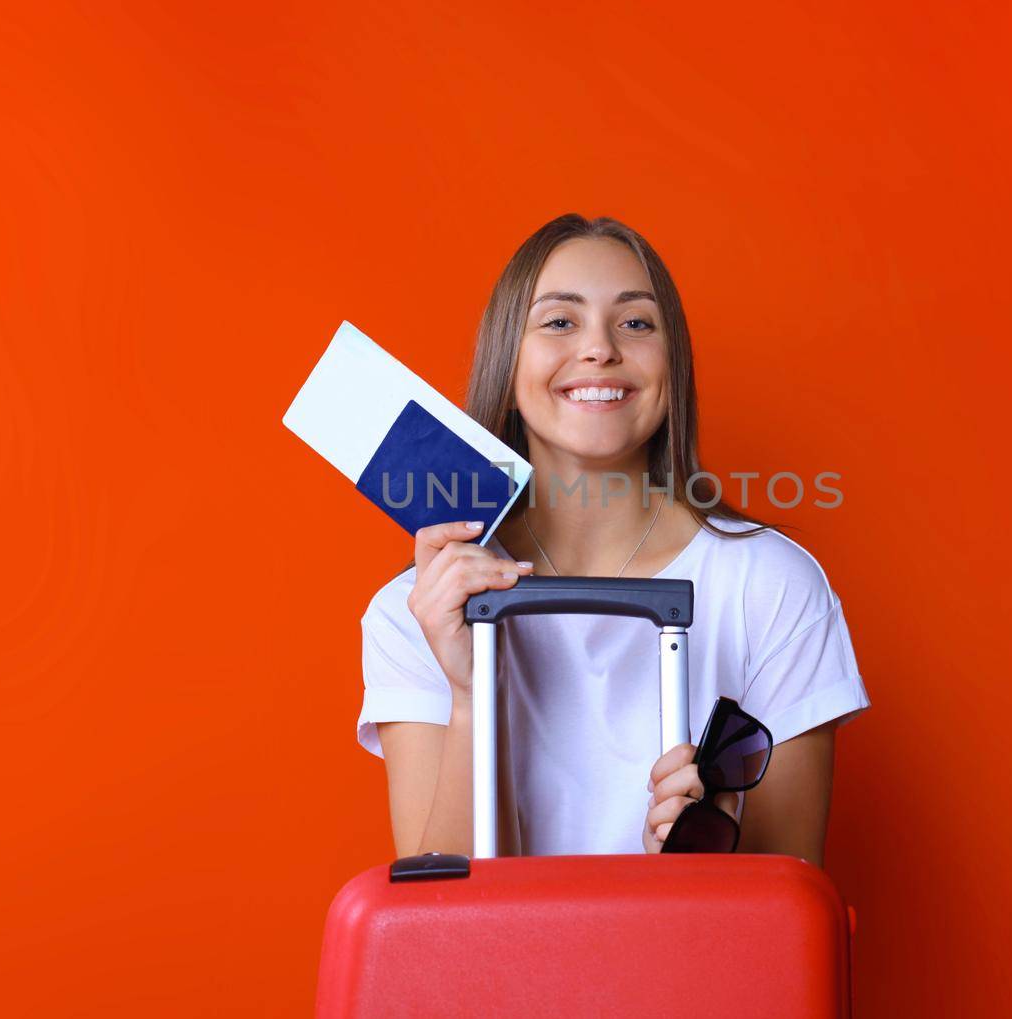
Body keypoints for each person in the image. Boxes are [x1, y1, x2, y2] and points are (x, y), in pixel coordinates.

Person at [356, 214, 870, 865]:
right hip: (503, 971)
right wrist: (471, 695)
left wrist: (710, 854)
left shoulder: (771, 586)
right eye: (559, 321)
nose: (599, 348)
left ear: (672, 365)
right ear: (507, 363)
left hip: (696, 967)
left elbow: (793, 914)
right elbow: (440, 932)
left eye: (635, 322)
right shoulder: (418, 612)